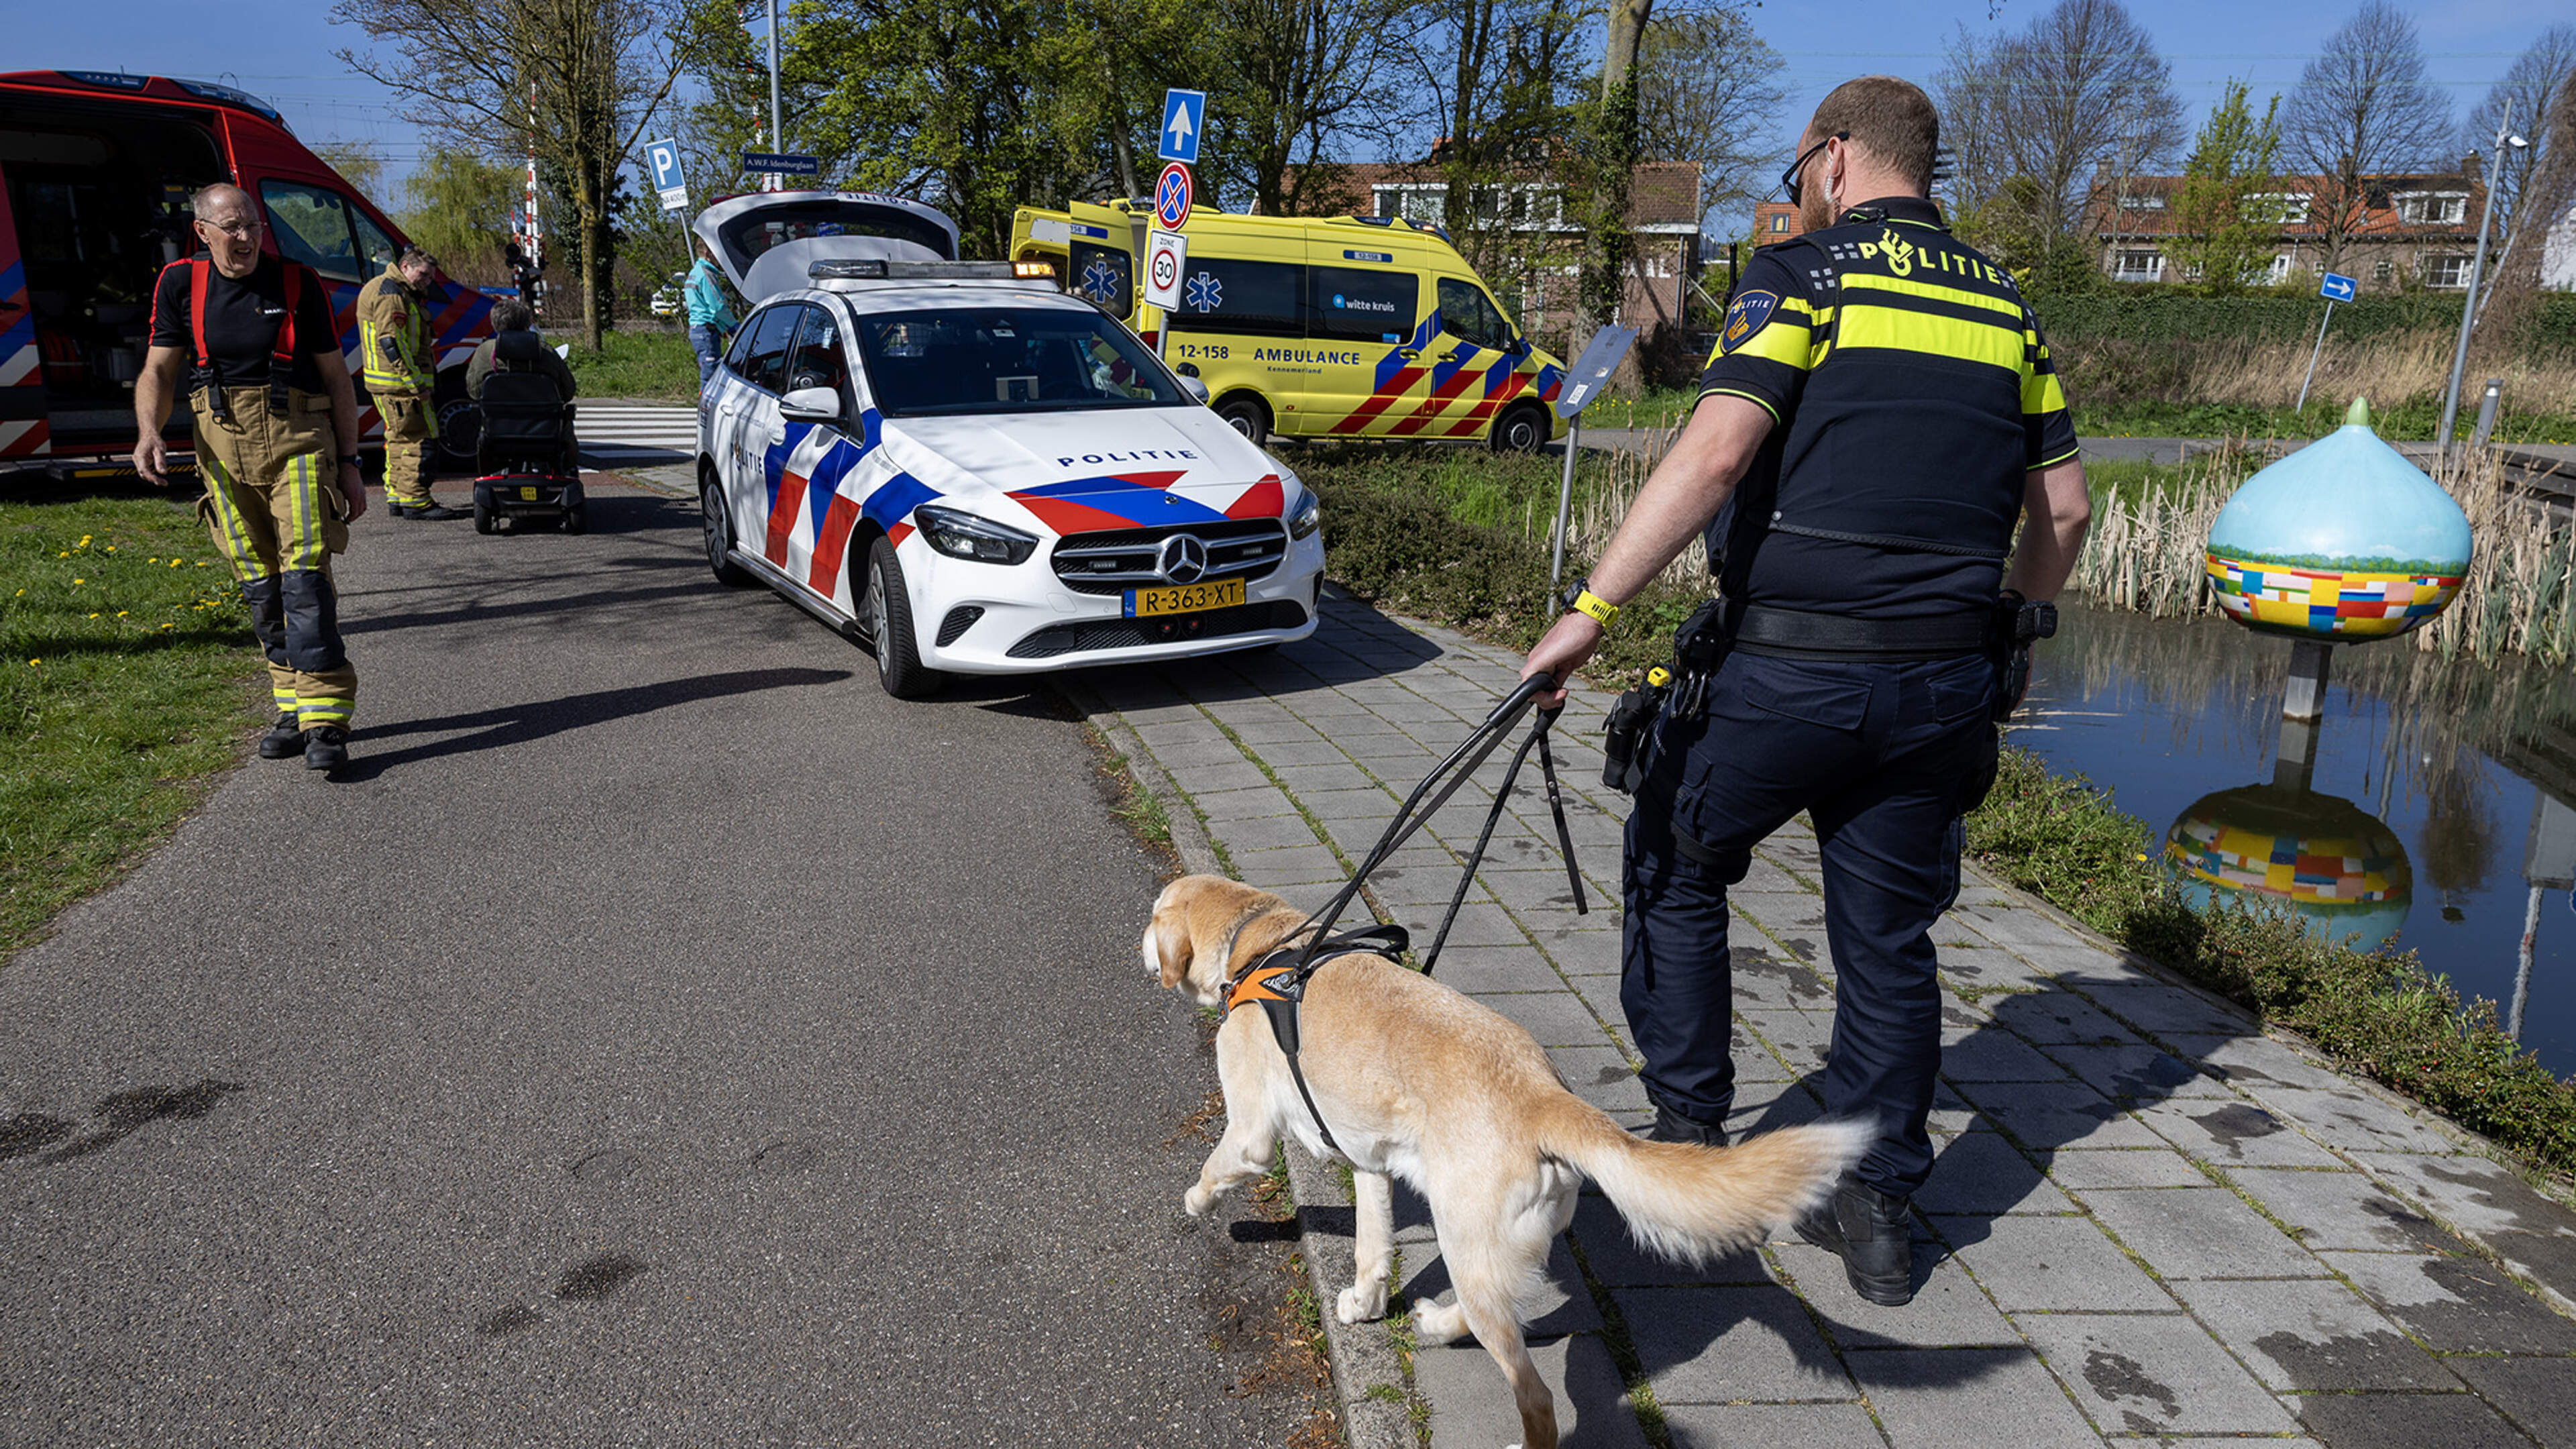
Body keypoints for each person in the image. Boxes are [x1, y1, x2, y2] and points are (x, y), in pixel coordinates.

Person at [1515, 76, 2091, 1306]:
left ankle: (1689, 1140)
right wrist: (2017, 633)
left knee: (1676, 865)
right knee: (1888, 939)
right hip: (1943, 684)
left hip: (1788, 672)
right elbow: (2065, 510)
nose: (1798, 194)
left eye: (1797, 175)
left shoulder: (1804, 278)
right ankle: (1878, 1216)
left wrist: (1587, 616)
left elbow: (1718, 450)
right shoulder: (2010, 311)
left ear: (1833, 158)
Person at [132, 183, 373, 771]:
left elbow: (339, 382)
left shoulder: (296, 283)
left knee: (305, 580)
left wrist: (350, 463)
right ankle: (291, 707)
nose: (244, 239)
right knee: (260, 585)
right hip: (220, 449)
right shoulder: (179, 285)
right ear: (203, 232)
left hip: (296, 442)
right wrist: (149, 431)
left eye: (253, 228)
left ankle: (325, 722)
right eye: (232, 228)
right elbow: (158, 372)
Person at [356, 244, 462, 521]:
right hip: (401, 385)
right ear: (405, 267)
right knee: (420, 440)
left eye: (431, 278)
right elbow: (392, 342)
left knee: (397, 440)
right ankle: (416, 499)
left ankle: (398, 496)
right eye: (424, 275)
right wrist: (416, 383)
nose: (427, 281)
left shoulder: (394, 289)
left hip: (388, 384)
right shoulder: (392, 295)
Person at [684, 235, 739, 385]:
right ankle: (705, 405)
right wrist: (734, 326)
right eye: (717, 253)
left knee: (708, 371)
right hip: (706, 332)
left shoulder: (693, 273)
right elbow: (717, 307)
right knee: (711, 375)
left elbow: (701, 306)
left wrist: (721, 328)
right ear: (708, 253)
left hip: (697, 330)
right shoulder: (706, 274)